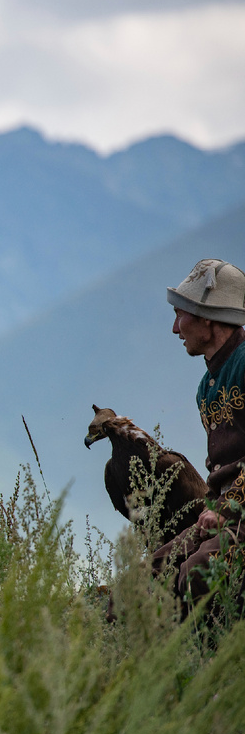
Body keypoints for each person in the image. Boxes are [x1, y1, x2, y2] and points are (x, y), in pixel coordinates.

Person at [151, 259, 245, 617]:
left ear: (206, 317)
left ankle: (213, 667)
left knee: (197, 575)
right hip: (224, 513)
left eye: (181, 315)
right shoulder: (205, 389)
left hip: (239, 513)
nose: (176, 328)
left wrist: (230, 504)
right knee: (143, 582)